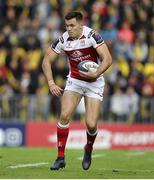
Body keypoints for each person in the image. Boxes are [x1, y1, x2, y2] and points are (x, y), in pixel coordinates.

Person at [42, 11, 112, 171]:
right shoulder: (63, 39)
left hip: (94, 82)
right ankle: (60, 157)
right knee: (64, 115)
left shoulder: (92, 36)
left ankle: (88, 149)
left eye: (72, 25)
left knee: (91, 124)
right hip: (75, 80)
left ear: (81, 24)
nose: (69, 29)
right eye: (66, 26)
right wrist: (51, 83)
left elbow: (108, 59)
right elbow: (46, 61)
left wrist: (96, 73)